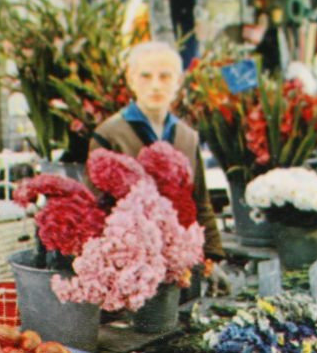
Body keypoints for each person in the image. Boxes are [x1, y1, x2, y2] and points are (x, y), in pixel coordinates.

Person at [89, 40, 224, 259]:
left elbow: (200, 201)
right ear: (131, 79)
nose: (155, 85)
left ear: (178, 81)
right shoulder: (110, 134)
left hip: (179, 256)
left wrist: (213, 257)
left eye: (165, 76)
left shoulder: (187, 137)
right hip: (128, 254)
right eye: (145, 76)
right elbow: (96, 208)